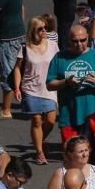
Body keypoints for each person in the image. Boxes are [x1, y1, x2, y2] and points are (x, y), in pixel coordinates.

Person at [46, 24, 95, 142]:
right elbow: (49, 84)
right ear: (69, 40)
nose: (79, 44)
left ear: (88, 37)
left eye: (83, 40)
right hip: (69, 117)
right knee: (72, 156)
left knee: (93, 156)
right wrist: (66, 82)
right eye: (75, 41)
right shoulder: (60, 57)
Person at [13, 15, 59, 163]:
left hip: (49, 88)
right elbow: (17, 69)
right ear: (33, 30)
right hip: (31, 88)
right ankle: (39, 152)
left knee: (51, 120)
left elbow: (59, 64)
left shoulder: (52, 45)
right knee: (37, 120)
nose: (44, 30)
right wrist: (17, 88)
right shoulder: (25, 47)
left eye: (46, 27)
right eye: (41, 28)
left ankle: (39, 141)